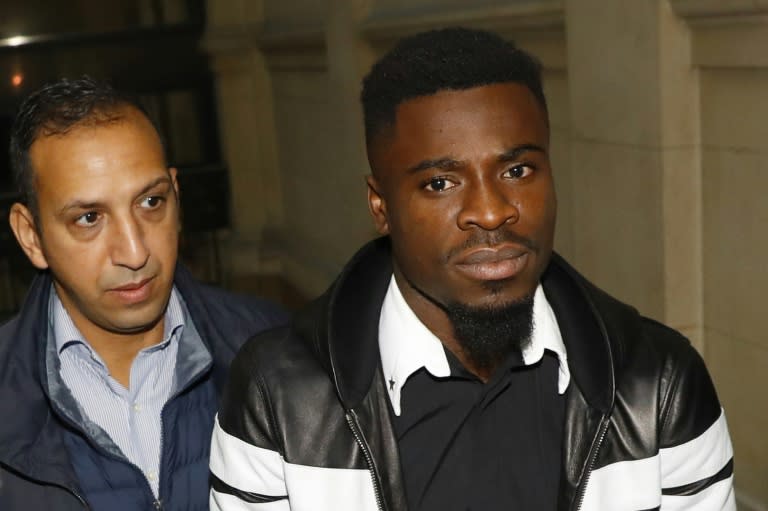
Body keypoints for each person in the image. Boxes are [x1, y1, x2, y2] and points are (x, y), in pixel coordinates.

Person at [209, 28, 735, 511]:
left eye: (517, 169)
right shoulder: (279, 395)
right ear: (381, 207)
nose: (490, 210)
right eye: (441, 182)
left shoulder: (658, 385)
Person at [0, 77, 286, 510]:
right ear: (30, 236)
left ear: (176, 194)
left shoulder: (280, 349)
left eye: (151, 202)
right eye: (89, 218)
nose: (134, 252)